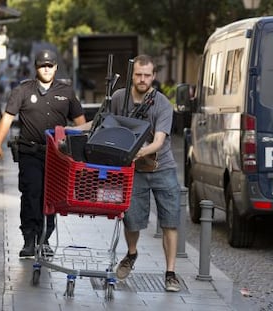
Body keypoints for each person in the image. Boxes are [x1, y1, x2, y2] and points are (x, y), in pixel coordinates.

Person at [0, 49, 86, 257]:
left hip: (56, 156)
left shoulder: (67, 92)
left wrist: (82, 153)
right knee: (31, 194)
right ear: (36, 67)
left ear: (56, 67)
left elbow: (81, 124)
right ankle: (28, 239)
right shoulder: (23, 90)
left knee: (50, 197)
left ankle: (44, 239)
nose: (46, 69)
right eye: (42, 65)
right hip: (30, 153)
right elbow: (7, 118)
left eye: (50, 65)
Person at [111, 55, 181, 292]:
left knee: (170, 222)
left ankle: (170, 273)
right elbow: (103, 123)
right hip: (135, 170)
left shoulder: (162, 104)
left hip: (163, 168)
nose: (142, 79)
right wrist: (72, 129)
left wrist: (136, 151)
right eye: (139, 74)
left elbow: (159, 142)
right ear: (133, 74)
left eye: (147, 75)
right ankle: (131, 254)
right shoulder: (119, 98)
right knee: (131, 219)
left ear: (153, 76)